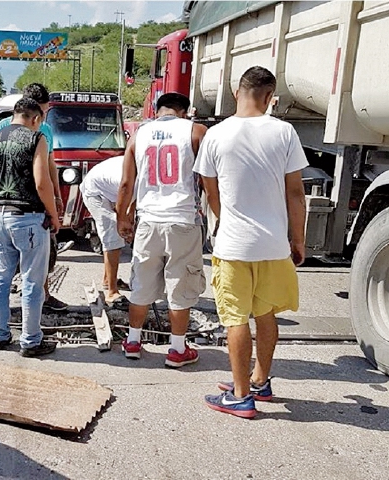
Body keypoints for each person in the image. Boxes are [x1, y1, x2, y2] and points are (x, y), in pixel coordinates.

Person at [194, 66, 307, 418]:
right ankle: (259, 380)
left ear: (235, 92)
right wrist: (298, 240)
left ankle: (240, 396)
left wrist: (222, 221)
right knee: (265, 313)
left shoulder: (215, 134)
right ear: (270, 98)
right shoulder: (285, 132)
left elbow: (210, 190)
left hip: (234, 245)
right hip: (274, 244)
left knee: (235, 318)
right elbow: (296, 193)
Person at [116, 92, 207, 368]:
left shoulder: (139, 135)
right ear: (185, 111)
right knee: (180, 284)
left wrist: (122, 217)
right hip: (182, 220)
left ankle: (133, 341)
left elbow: (125, 184)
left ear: (158, 111)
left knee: (142, 282)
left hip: (148, 220)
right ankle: (177, 349)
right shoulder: (196, 131)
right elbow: (209, 177)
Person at [0, 97, 60, 357]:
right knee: (32, 282)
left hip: (0, 216)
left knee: (0, 279)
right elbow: (42, 183)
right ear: (35, 118)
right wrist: (54, 214)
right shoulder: (36, 139)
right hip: (28, 218)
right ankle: (30, 341)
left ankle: (0, 335)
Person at [0, 82, 67, 312]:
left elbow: (50, 164)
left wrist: (58, 193)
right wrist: (52, 207)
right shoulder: (24, 130)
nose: (43, 117)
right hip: (29, 204)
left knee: (10, 266)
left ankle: (33, 299)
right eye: (42, 112)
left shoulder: (41, 130)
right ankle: (31, 331)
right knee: (32, 262)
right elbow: (41, 177)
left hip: (4, 207)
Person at [80, 155, 132, 307]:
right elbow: (123, 202)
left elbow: (134, 202)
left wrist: (131, 219)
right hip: (96, 192)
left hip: (112, 190)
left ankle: (108, 279)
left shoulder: (143, 173)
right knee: (113, 236)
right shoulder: (128, 178)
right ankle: (111, 292)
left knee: (121, 230)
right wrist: (124, 223)